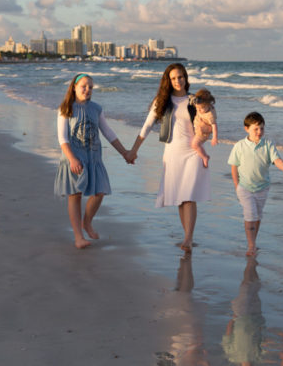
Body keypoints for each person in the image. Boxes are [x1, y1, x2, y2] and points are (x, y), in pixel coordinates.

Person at [130, 63, 210, 254]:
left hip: (193, 152)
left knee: (189, 196)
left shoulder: (194, 100)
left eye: (180, 77)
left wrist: (207, 131)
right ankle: (187, 235)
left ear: (186, 78)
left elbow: (209, 122)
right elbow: (147, 126)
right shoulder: (162, 101)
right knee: (181, 198)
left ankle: (188, 238)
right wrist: (133, 150)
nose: (177, 81)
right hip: (173, 152)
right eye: (173, 78)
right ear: (168, 80)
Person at [54, 73, 134, 249]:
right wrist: (72, 159)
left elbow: (108, 133)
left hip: (94, 157)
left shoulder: (96, 108)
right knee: (75, 196)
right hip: (74, 158)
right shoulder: (66, 108)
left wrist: (125, 153)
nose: (87, 90)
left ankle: (87, 222)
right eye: (84, 86)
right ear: (74, 87)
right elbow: (62, 139)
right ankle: (78, 236)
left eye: (90, 87)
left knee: (100, 192)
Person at [228, 112, 283, 256]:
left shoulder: (268, 144)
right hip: (245, 187)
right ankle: (251, 245)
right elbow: (234, 167)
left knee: (258, 216)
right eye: (256, 129)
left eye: (262, 128)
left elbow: (276, 160)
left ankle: (253, 241)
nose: (259, 132)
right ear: (246, 129)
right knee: (250, 215)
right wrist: (237, 186)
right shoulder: (239, 146)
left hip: (263, 187)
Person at [189, 88, 218, 168]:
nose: (199, 110)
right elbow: (193, 99)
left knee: (194, 144)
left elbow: (214, 126)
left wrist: (214, 137)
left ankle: (205, 157)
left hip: (203, 133)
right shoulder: (199, 103)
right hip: (198, 127)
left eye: (201, 108)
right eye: (197, 108)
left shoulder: (210, 115)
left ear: (208, 105)